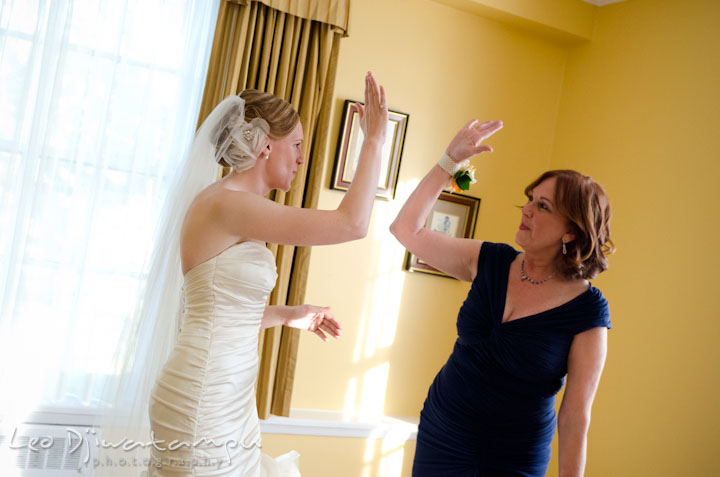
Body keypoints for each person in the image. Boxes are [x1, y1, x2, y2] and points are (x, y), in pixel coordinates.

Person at [147, 72, 388, 476]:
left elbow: (216, 314)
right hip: (206, 397)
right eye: (295, 145)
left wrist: (287, 314)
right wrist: (375, 142)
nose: (300, 158)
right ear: (264, 144)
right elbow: (352, 224)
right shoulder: (230, 204)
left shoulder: (233, 207)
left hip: (229, 394)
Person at [390, 119, 614, 476]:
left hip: (514, 455)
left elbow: (574, 416)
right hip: (443, 431)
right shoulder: (489, 259)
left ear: (571, 231)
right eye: (530, 199)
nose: (526, 209)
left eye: (543, 206)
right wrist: (449, 161)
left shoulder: (587, 309)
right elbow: (405, 229)